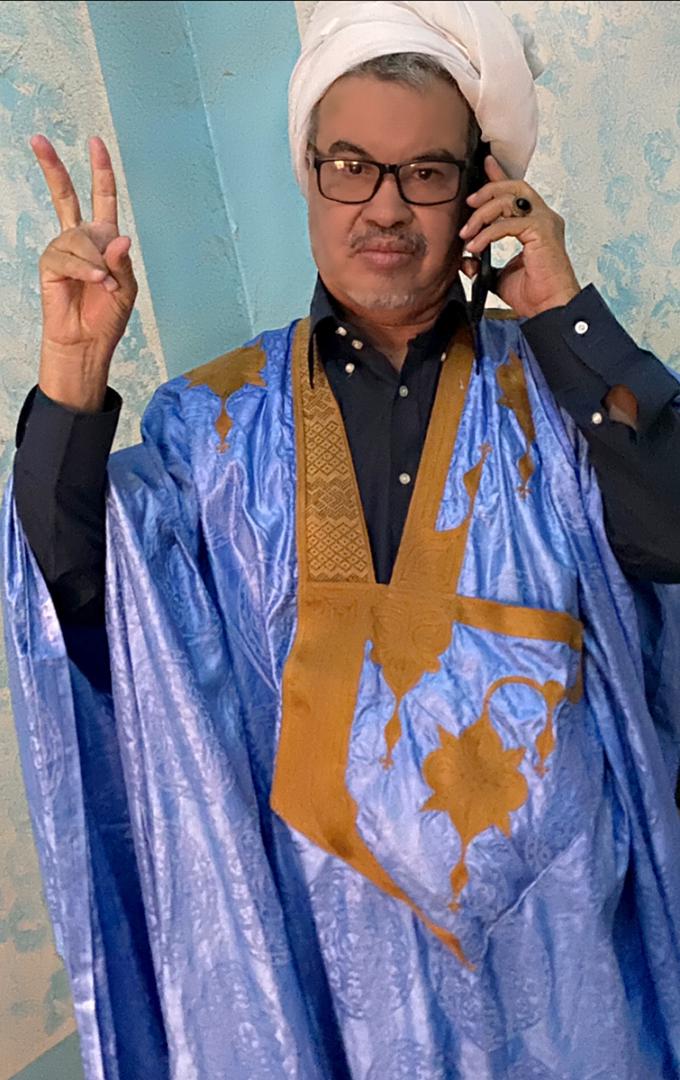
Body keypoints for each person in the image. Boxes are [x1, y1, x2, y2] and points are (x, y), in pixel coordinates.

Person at [3, 2, 680, 1077]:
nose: (385, 206)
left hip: (574, 987)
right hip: (331, 998)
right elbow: (74, 601)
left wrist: (565, 311)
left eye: (426, 173)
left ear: (480, 187)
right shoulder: (211, 430)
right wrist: (75, 377)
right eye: (351, 166)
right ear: (309, 176)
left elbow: (668, 538)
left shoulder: (561, 394)